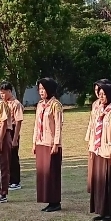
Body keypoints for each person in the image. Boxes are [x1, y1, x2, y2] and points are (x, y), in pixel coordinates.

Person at [89, 83, 111, 221]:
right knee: (99, 182)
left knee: (109, 182)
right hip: (98, 150)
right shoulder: (98, 110)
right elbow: (93, 129)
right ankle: (101, 210)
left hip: (109, 152)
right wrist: (92, 148)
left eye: (104, 94)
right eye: (100, 94)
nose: (101, 97)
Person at [33, 77, 64, 212]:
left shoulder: (56, 105)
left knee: (52, 173)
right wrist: (34, 142)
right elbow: (36, 125)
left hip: (51, 144)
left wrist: (56, 143)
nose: (41, 92)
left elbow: (58, 126)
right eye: (39, 89)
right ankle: (47, 199)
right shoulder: (40, 105)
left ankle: (55, 201)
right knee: (43, 173)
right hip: (41, 142)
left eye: (43, 89)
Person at [85, 79, 111, 194]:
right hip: (94, 137)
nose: (97, 93)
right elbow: (92, 122)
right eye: (96, 90)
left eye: (99, 90)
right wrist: (89, 139)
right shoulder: (95, 104)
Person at [0, 81, 24, 190]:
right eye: (0, 93)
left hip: (13, 130)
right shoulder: (2, 103)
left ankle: (15, 181)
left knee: (13, 156)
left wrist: (15, 139)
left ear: (9, 91)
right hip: (4, 129)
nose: (2, 95)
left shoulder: (16, 104)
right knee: (5, 156)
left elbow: (18, 122)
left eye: (4, 93)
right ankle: (8, 179)